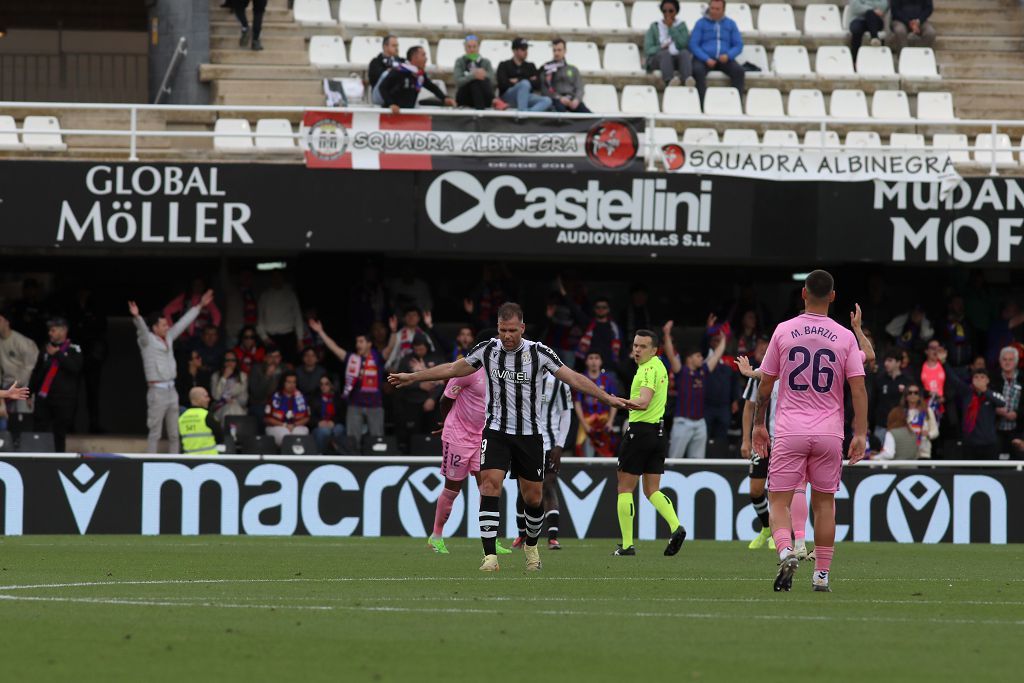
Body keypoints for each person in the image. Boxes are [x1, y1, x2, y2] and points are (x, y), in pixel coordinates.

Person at [388, 302, 628, 573]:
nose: (506, 335)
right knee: (490, 486)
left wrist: (606, 398)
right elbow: (454, 369)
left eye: (512, 330)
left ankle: (531, 545)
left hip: (530, 435)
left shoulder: (539, 352)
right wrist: (413, 377)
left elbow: (573, 377)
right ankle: (489, 556)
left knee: (533, 498)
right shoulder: (488, 349)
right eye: (503, 330)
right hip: (496, 432)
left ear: (522, 328)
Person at [752, 270, 868, 593]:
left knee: (778, 500)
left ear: (803, 293)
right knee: (825, 504)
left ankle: (787, 550)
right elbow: (858, 388)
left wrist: (759, 425)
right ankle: (822, 575)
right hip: (830, 432)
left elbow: (765, 384)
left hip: (790, 430)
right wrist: (861, 433)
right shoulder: (845, 336)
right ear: (833, 297)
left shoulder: (783, 331)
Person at [613, 329, 687, 556]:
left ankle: (627, 545)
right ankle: (676, 527)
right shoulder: (660, 366)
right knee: (652, 489)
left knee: (625, 488)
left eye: (642, 346)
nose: (637, 350)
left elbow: (643, 402)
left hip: (640, 432)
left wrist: (619, 402)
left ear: (654, 350)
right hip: (659, 434)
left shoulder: (646, 370)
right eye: (635, 345)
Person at [428, 364, 511, 556]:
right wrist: (448, 422)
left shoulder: (503, 373)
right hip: (458, 436)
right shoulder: (469, 371)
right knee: (452, 489)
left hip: (482, 436)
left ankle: (490, 539)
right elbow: (445, 399)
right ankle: (436, 536)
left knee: (487, 488)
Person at [130, 289, 213, 454]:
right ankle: (150, 462)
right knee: (155, 432)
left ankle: (175, 461)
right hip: (157, 390)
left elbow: (182, 323)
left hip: (171, 390)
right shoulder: (147, 341)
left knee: (175, 433)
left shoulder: (168, 337)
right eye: (163, 325)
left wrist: (200, 306)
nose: (167, 327)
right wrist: (137, 317)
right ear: (154, 327)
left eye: (167, 325)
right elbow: (142, 331)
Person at [513, 370, 573, 550]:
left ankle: (552, 537)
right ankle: (521, 535)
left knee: (548, 485)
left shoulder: (560, 383)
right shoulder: (521, 379)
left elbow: (566, 415)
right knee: (522, 490)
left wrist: (560, 445)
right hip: (524, 444)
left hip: (550, 445)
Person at [663, 316, 727, 459]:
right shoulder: (681, 371)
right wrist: (666, 334)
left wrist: (723, 340)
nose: (701, 358)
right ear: (689, 358)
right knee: (674, 459)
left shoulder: (703, 371)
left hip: (700, 423)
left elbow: (716, 356)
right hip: (682, 422)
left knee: (698, 461)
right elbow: (670, 354)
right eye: (698, 356)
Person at [737, 336, 777, 550]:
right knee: (755, 489)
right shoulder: (760, 374)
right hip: (762, 439)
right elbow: (749, 407)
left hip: (783, 438)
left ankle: (779, 536)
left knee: (778, 490)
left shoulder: (791, 370)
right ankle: (766, 528)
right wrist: (745, 439)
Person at [29, 317, 83, 453]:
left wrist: (58, 354)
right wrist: (29, 392)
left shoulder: (74, 349)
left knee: (59, 432)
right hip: (44, 397)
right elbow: (37, 372)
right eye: (49, 330)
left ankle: (58, 460)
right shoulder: (45, 348)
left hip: (64, 399)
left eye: (53, 330)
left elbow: (75, 368)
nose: (50, 333)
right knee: (40, 430)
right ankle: (37, 458)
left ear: (63, 330)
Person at [395, 335, 445, 453]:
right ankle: (412, 455)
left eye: (421, 348)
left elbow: (443, 381)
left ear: (427, 347)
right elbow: (399, 380)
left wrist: (432, 399)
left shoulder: (437, 359)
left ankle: (433, 454)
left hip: (433, 403)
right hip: (412, 403)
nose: (419, 351)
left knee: (433, 431)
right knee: (412, 433)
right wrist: (419, 385)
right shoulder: (407, 360)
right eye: (416, 349)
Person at [688, 0, 745, 104]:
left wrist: (728, 55)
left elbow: (738, 45)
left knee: (739, 71)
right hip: (704, 59)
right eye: (712, 8)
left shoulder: (731, 24)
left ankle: (736, 103)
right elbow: (693, 44)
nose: (714, 11)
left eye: (717, 9)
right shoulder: (700, 23)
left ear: (723, 10)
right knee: (697, 70)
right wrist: (706, 58)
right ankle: (702, 103)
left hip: (724, 58)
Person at [380, 45, 456, 113]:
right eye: (423, 55)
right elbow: (382, 87)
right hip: (392, 114)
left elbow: (432, 87)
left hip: (408, 113)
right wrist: (391, 104)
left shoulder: (420, 75)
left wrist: (444, 98)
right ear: (414, 57)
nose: (426, 58)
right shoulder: (399, 71)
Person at [0, 308, 39, 438]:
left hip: (22, 384)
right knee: (5, 418)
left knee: (22, 417)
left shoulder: (21, 342)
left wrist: (21, 385)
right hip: (5, 386)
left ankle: (23, 449)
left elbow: (31, 366)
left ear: (7, 321)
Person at [574, 351, 619, 457]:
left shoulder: (608, 380)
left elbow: (614, 400)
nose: (594, 361)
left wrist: (610, 422)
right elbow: (577, 403)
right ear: (586, 362)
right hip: (586, 421)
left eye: (596, 358)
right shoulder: (580, 379)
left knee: (606, 455)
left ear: (601, 361)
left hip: (604, 420)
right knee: (585, 456)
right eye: (591, 358)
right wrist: (584, 424)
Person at [257, 269, 304, 363]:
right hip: (270, 338)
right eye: (274, 277)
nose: (276, 279)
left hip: (288, 337)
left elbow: (298, 317)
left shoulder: (290, 294)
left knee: (289, 364)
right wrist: (264, 337)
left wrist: (300, 339)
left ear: (282, 278)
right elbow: (260, 320)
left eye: (279, 277)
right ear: (271, 279)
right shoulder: (265, 296)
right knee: (270, 364)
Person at [644, 0, 693, 87]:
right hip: (658, 59)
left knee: (685, 53)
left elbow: (683, 44)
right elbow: (648, 49)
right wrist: (661, 47)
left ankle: (687, 80)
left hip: (676, 58)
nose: (667, 13)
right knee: (665, 54)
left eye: (671, 11)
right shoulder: (655, 26)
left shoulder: (681, 25)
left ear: (676, 11)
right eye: (664, 11)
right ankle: (669, 81)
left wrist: (671, 28)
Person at [496, 38, 552, 112]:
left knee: (547, 100)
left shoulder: (530, 66)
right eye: (522, 49)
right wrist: (527, 81)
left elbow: (537, 84)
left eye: (526, 49)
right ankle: (523, 113)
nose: (526, 52)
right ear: (514, 51)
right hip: (508, 98)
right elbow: (502, 84)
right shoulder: (504, 65)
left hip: (525, 97)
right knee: (524, 84)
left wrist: (518, 80)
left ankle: (526, 113)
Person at [575, 297, 623, 378]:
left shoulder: (615, 328)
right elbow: (575, 311)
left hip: (610, 369)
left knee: (611, 391)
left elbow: (622, 348)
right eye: (598, 307)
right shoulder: (588, 324)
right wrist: (563, 293)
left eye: (604, 307)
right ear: (594, 309)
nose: (601, 309)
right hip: (589, 370)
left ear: (608, 309)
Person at [164, 277, 222, 342]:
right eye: (195, 285)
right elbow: (167, 310)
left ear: (203, 286)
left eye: (200, 285)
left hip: (201, 337)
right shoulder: (184, 297)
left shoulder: (206, 299)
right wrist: (173, 329)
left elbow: (217, 315)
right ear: (192, 286)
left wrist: (211, 331)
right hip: (184, 337)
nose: (198, 287)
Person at [542, 39, 591, 114]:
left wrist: (577, 99)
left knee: (588, 115)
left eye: (559, 50)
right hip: (557, 100)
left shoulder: (573, 69)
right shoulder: (547, 68)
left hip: (572, 99)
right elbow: (545, 89)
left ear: (565, 51)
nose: (556, 53)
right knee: (560, 112)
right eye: (554, 50)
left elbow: (580, 87)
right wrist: (559, 98)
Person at [873, 349, 911, 443]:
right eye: (885, 360)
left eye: (890, 360)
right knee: (878, 455)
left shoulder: (907, 381)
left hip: (900, 427)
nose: (886, 363)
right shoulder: (879, 380)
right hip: (881, 426)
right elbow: (873, 402)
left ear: (898, 362)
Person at [264, 371, 311, 446]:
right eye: (288, 382)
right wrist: (285, 425)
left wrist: (294, 425)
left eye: (294, 382)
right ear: (283, 383)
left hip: (296, 426)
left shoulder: (301, 397)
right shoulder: (274, 397)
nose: (291, 385)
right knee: (285, 435)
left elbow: (307, 417)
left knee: (299, 434)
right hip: (277, 426)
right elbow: (267, 418)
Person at [454, 34, 498, 110]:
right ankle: (493, 101)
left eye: (474, 46)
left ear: (478, 47)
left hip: (484, 96)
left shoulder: (486, 62)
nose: (472, 49)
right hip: (465, 97)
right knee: (474, 82)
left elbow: (493, 81)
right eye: (469, 47)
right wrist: (473, 76)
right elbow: (458, 82)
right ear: (465, 48)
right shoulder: (460, 61)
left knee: (478, 82)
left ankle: (480, 110)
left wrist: (484, 75)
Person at [385, 306, 435, 371]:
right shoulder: (398, 335)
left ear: (419, 318)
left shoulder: (424, 335)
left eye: (414, 315)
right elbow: (392, 354)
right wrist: (389, 366)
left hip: (422, 368)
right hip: (402, 368)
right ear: (404, 318)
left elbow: (431, 352)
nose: (411, 317)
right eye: (408, 315)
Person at [178, 386, 223, 456]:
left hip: (189, 461)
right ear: (197, 399)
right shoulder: (206, 415)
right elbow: (220, 437)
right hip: (209, 459)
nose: (209, 399)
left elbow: (180, 440)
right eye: (206, 396)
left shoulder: (182, 417)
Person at [995, 347, 1022, 456]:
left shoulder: (1022, 378)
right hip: (996, 428)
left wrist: (1017, 413)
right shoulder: (992, 378)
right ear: (1000, 361)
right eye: (1004, 359)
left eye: (1010, 360)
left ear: (1016, 362)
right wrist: (996, 410)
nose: (1007, 362)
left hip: (1018, 429)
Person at [310, 375, 346, 455]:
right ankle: (320, 454)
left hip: (334, 425)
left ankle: (340, 454)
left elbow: (342, 416)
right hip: (319, 427)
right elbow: (310, 417)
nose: (323, 386)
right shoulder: (314, 398)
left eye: (327, 384)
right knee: (324, 431)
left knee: (339, 429)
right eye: (321, 384)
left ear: (332, 385)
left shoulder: (338, 399)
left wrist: (333, 422)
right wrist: (318, 423)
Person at [210, 351, 248, 422]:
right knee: (228, 410)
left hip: (238, 407)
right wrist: (224, 378)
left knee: (232, 408)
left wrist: (234, 400)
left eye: (233, 360)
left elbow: (244, 400)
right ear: (223, 362)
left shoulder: (242, 376)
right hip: (220, 408)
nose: (230, 363)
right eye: (227, 360)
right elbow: (216, 396)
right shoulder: (215, 376)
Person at [248, 345, 283, 420]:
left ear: (280, 358)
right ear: (265, 358)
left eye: (276, 357)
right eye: (271, 357)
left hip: (279, 404)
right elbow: (256, 394)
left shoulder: (284, 370)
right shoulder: (256, 369)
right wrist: (267, 376)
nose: (274, 360)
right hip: (260, 404)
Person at [369, 35, 403, 105]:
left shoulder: (402, 61)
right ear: (385, 46)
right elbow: (377, 78)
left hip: (397, 96)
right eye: (394, 46)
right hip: (381, 96)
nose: (397, 48)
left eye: (397, 46)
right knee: (386, 74)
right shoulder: (376, 62)